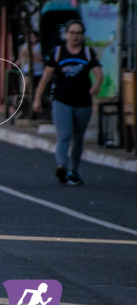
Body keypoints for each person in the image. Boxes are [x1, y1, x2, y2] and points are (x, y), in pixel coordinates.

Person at [32, 19, 103, 186]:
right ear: (66, 34)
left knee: (78, 137)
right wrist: (37, 98)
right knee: (64, 135)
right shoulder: (57, 53)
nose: (75, 36)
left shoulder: (87, 53)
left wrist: (97, 86)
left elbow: (99, 74)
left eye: (78, 33)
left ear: (82, 35)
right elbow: (46, 77)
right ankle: (61, 166)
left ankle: (74, 171)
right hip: (61, 100)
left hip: (83, 102)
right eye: (72, 33)